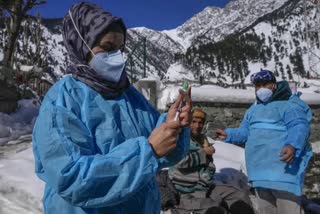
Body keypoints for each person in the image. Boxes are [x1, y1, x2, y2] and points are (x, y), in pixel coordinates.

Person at [32, 2, 192, 214]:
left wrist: (175, 126)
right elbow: (71, 177)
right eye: (107, 48)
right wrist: (147, 151)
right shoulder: (63, 100)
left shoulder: (131, 96)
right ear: (81, 45)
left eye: (119, 49)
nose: (116, 57)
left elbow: (165, 154)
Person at [216, 69, 313, 214]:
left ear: (274, 85)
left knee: (289, 210)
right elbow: (245, 132)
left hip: (283, 171)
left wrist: (292, 145)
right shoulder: (253, 110)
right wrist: (229, 134)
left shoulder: (289, 105)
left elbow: (299, 126)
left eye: (265, 84)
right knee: (266, 210)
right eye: (257, 85)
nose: (261, 88)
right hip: (259, 171)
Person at [169, 107, 254, 214]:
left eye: (200, 123)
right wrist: (204, 153)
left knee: (240, 196)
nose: (197, 126)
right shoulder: (179, 139)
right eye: (193, 121)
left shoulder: (202, 140)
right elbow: (181, 162)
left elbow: (208, 167)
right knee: (216, 210)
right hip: (186, 191)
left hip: (205, 187)